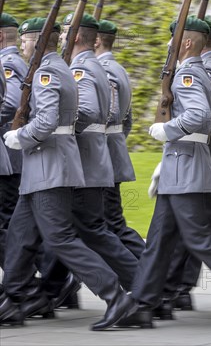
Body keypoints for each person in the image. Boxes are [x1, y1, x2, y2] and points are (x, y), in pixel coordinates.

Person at [118, 16, 211, 331]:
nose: (169, 44)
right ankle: (143, 304)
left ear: (186, 42)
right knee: (159, 240)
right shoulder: (199, 70)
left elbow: (201, 114)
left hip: (186, 164)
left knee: (201, 238)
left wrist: (170, 130)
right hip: (180, 163)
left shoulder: (187, 72)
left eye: (173, 39)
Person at [0, 17, 135, 330]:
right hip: (40, 169)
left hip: (50, 166)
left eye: (25, 40)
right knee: (20, 237)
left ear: (37, 41)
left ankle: (116, 297)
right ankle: (12, 298)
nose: (21, 45)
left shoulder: (48, 71)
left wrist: (20, 136)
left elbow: (47, 120)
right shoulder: (58, 66)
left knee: (60, 237)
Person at [58, 13, 139, 290]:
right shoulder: (111, 68)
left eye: (65, 32)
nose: (60, 36)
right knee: (98, 227)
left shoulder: (94, 69)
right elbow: (125, 119)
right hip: (104, 151)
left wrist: (65, 133)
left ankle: (148, 285)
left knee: (105, 227)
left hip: (94, 155)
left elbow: (108, 114)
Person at [94, 19, 145, 259]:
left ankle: (150, 271)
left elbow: (111, 113)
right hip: (110, 152)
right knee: (108, 221)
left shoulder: (103, 70)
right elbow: (127, 121)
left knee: (111, 223)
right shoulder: (118, 69)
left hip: (102, 156)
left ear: (95, 41)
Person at [0, 13, 25, 265]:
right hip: (11, 153)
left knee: (6, 222)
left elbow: (11, 103)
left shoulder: (7, 63)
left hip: (8, 153)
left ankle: (23, 283)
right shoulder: (14, 61)